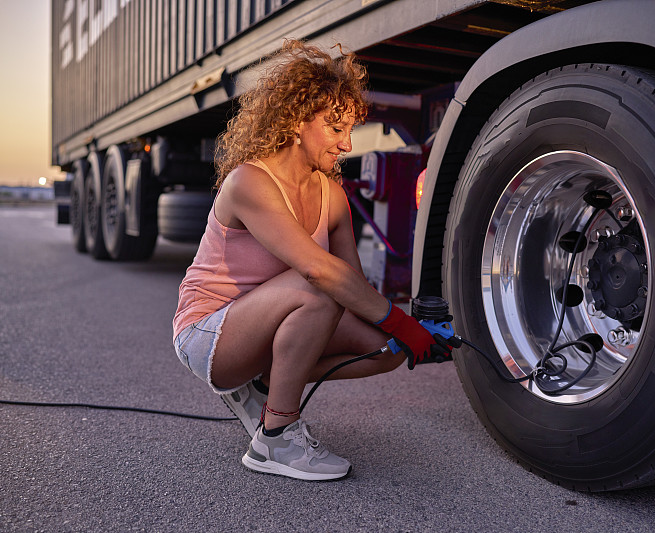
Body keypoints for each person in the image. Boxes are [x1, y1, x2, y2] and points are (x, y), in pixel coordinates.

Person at [172, 40, 449, 481]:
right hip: (211, 334)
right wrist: (401, 320)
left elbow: (352, 284)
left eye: (350, 129)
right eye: (335, 127)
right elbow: (320, 272)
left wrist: (415, 336)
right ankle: (274, 438)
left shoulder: (332, 196)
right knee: (318, 286)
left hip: (276, 320)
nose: (346, 143)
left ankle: (265, 385)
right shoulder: (250, 182)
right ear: (297, 121)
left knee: (385, 349)